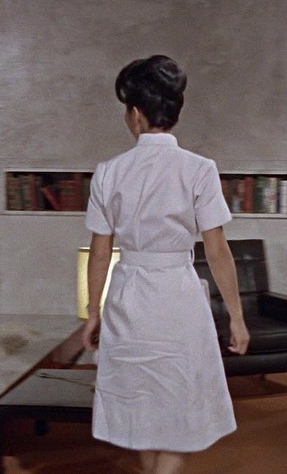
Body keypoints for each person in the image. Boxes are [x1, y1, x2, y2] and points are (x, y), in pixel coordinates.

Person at [81, 55, 250, 474]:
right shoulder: (200, 169)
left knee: (139, 404)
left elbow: (100, 251)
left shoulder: (108, 172)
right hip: (178, 296)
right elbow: (217, 251)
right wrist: (237, 317)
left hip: (129, 297)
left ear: (136, 114)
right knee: (181, 408)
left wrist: (92, 311)